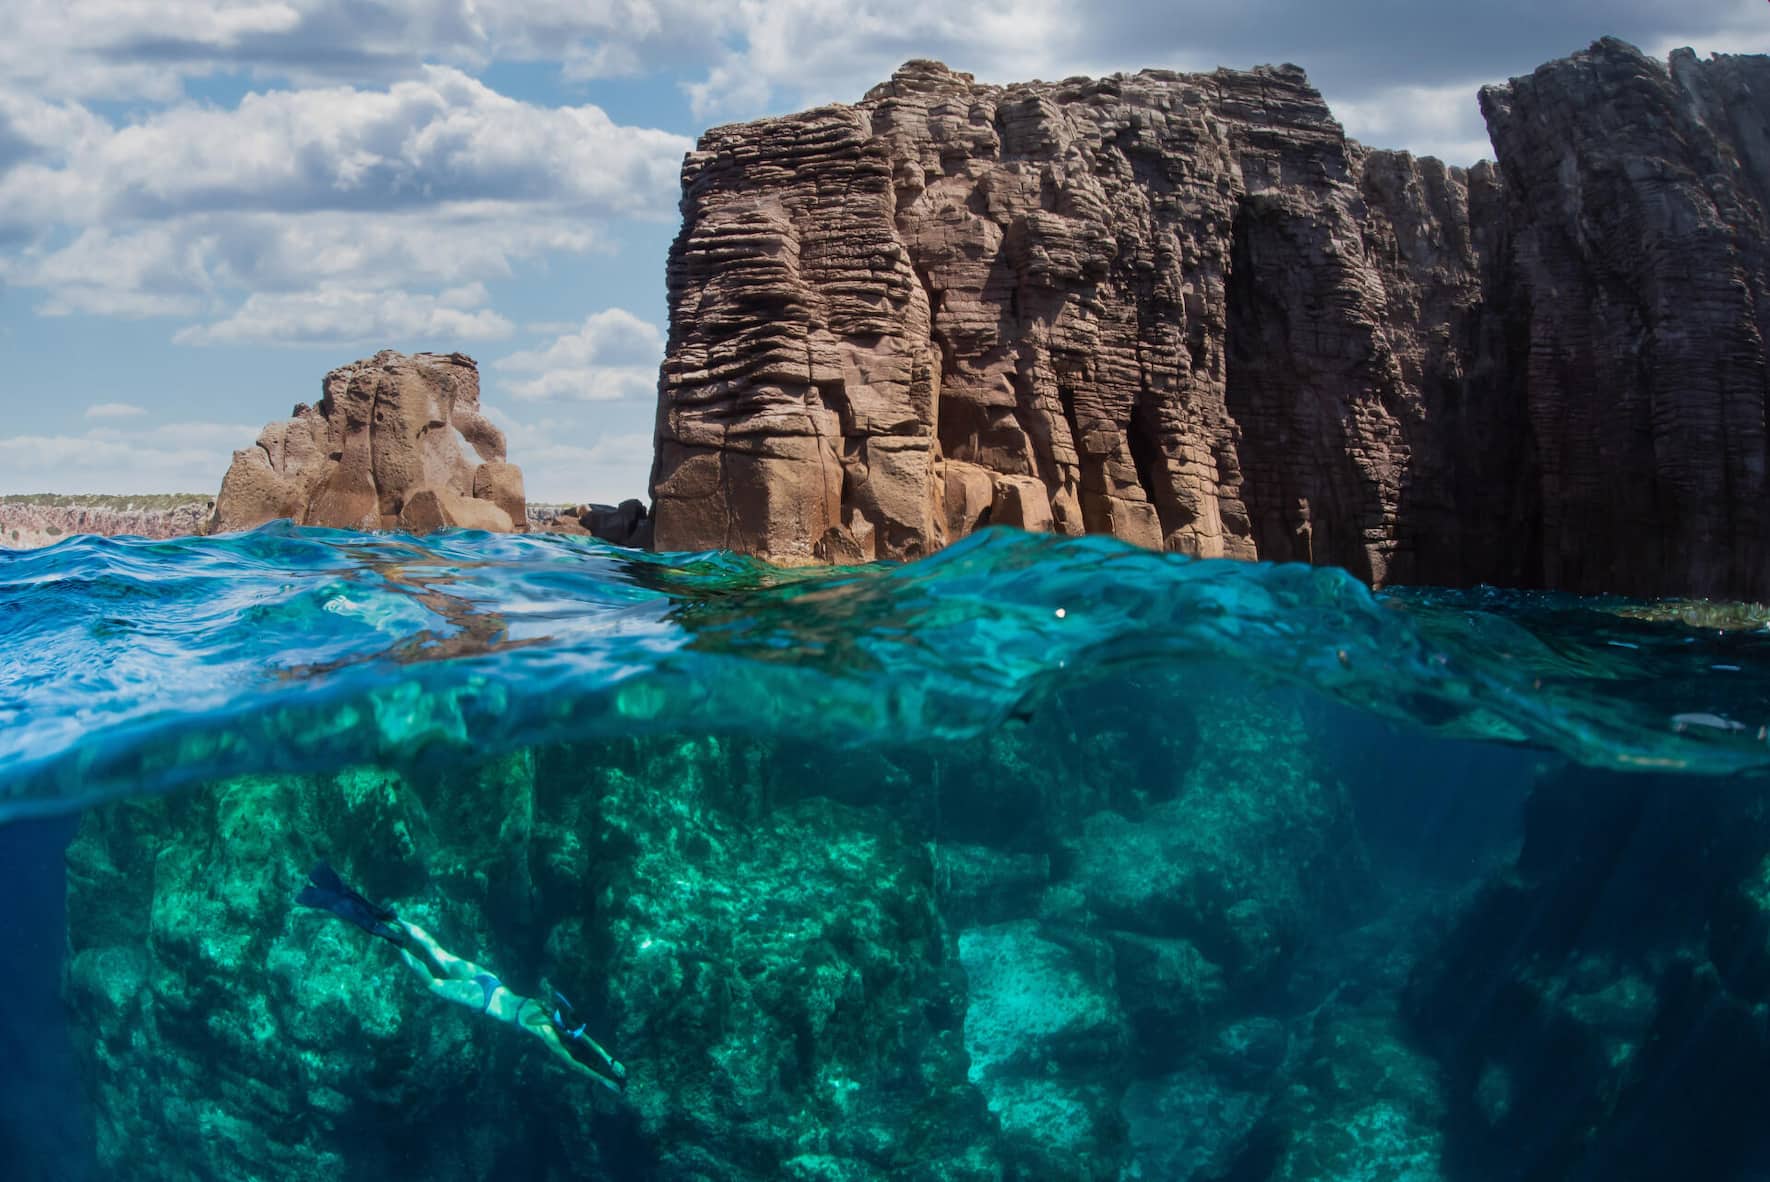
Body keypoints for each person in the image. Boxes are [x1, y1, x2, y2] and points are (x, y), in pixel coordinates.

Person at [297, 862, 627, 1093]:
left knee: (437, 951)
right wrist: (605, 1078)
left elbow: (582, 1035)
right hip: (484, 1002)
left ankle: (395, 919)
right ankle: (390, 937)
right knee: (433, 983)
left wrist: (611, 1060)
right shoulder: (547, 1033)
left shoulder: (547, 1006)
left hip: (490, 982)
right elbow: (573, 1060)